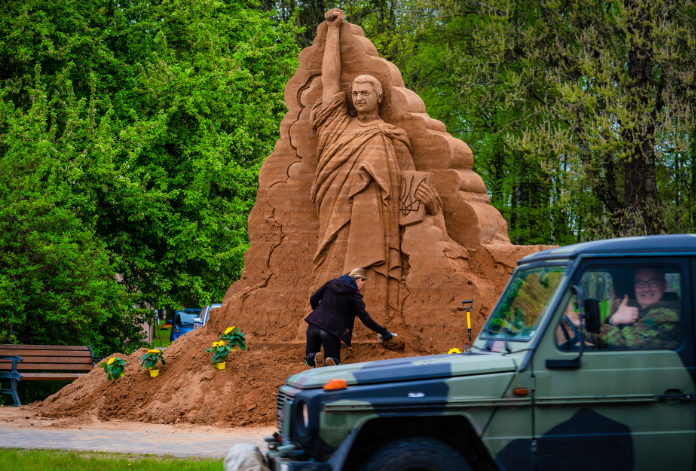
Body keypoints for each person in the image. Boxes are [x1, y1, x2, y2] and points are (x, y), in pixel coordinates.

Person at [305, 268, 395, 367]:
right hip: (330, 331)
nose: (361, 288)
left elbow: (313, 298)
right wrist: (384, 332)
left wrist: (319, 314)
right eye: (363, 284)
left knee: (310, 357)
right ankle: (331, 361)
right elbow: (366, 319)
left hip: (313, 325)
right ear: (359, 279)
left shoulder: (331, 283)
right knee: (332, 362)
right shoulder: (354, 296)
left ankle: (313, 358)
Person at [597, 267, 681, 349]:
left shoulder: (666, 314)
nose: (646, 288)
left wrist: (613, 320)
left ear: (664, 285)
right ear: (634, 287)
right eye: (640, 283)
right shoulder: (640, 311)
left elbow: (624, 341)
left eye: (653, 282)